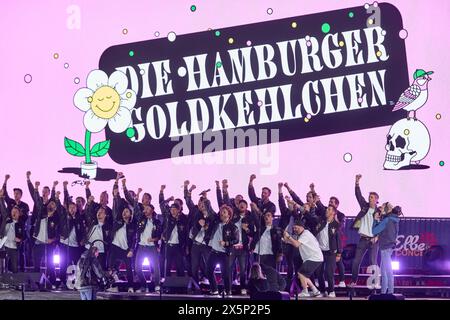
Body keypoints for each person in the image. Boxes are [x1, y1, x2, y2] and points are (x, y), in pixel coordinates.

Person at [28, 177, 60, 288]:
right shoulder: (41, 212)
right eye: (44, 191)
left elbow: (58, 231)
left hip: (48, 243)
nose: (51, 206)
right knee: (36, 264)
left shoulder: (55, 218)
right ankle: (36, 283)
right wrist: (35, 188)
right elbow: (36, 199)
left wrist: (53, 239)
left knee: (50, 264)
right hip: (38, 241)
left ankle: (50, 283)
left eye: (53, 205)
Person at [349, 174, 380, 288]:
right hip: (363, 238)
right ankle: (353, 281)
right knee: (356, 261)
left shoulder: (380, 212)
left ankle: (375, 283)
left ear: (376, 199)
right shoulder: (364, 207)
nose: (369, 199)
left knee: (373, 262)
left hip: (373, 240)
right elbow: (358, 195)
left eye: (372, 197)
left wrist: (377, 237)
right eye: (369, 197)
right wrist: (357, 182)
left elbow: (382, 227)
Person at [107, 183, 137, 293]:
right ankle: (111, 285)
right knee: (111, 268)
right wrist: (115, 187)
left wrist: (132, 250)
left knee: (129, 269)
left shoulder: (132, 225)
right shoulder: (117, 220)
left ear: (131, 214)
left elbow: (134, 239)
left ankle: (130, 287)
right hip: (115, 247)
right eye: (124, 211)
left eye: (127, 211)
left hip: (126, 249)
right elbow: (116, 201)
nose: (125, 212)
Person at [283, 220, 323, 298]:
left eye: (296, 228)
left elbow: (297, 244)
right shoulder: (302, 235)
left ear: (301, 227)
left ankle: (305, 291)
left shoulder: (305, 234)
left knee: (301, 273)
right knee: (303, 275)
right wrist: (286, 240)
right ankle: (315, 290)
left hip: (314, 257)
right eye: (293, 228)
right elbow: (295, 243)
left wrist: (288, 237)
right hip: (312, 258)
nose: (294, 229)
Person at [206, 204, 239, 296]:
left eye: (224, 212)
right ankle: (214, 289)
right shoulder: (216, 222)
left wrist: (226, 243)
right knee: (208, 271)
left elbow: (236, 239)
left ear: (229, 215)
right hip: (213, 251)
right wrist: (206, 201)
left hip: (224, 253)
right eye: (221, 212)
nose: (221, 213)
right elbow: (211, 211)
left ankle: (228, 291)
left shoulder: (233, 227)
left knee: (226, 274)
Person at [134, 188, 162, 293]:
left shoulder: (157, 222)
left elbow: (159, 236)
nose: (145, 210)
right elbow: (136, 208)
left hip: (152, 247)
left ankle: (157, 285)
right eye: (144, 209)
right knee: (137, 268)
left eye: (147, 209)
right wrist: (137, 194)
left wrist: (154, 239)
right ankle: (144, 284)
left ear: (151, 210)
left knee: (156, 267)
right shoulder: (141, 219)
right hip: (141, 246)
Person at [58, 183, 84, 289]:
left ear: (77, 209)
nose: (72, 209)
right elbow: (67, 200)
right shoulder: (65, 217)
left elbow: (81, 231)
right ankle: (63, 282)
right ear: (68, 209)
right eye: (70, 208)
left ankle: (76, 282)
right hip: (65, 244)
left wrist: (81, 240)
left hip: (75, 246)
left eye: (74, 207)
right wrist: (65, 189)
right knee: (64, 263)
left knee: (76, 265)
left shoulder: (79, 219)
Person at [372, 203, 401, 294]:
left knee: (388, 271)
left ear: (386, 210)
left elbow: (374, 231)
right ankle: (384, 292)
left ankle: (390, 293)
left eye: (382, 208)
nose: (380, 210)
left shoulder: (387, 220)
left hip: (385, 247)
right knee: (384, 271)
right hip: (390, 246)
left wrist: (375, 220)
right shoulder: (394, 219)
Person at [160, 186, 189, 277]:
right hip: (168, 246)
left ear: (179, 210)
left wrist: (186, 246)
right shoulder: (168, 218)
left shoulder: (183, 218)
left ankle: (181, 286)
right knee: (166, 266)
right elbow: (162, 205)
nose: (172, 212)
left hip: (178, 246)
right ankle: (166, 285)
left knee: (180, 266)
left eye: (174, 210)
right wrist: (166, 197)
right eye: (171, 210)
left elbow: (186, 233)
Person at [278, 182, 301, 292]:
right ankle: (277, 282)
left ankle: (290, 286)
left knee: (292, 265)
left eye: (291, 204)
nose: (289, 205)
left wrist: (293, 203)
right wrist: (280, 190)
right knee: (277, 260)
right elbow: (281, 203)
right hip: (284, 242)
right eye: (289, 204)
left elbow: (297, 211)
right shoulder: (285, 213)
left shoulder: (297, 215)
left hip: (293, 243)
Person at [314, 205, 342, 298]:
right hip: (320, 252)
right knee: (318, 272)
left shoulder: (336, 225)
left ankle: (331, 291)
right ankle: (322, 291)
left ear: (333, 213)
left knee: (329, 272)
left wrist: (339, 253)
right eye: (326, 209)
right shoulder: (321, 222)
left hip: (331, 252)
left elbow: (338, 239)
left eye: (329, 209)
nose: (327, 210)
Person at [0, 189, 26, 273]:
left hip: (14, 248)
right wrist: (1, 199)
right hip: (5, 247)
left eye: (16, 212)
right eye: (13, 212)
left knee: (14, 268)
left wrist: (20, 239)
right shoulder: (7, 220)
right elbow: (3, 210)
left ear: (19, 214)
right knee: (3, 267)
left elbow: (25, 236)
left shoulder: (20, 225)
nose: (14, 213)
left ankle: (14, 283)